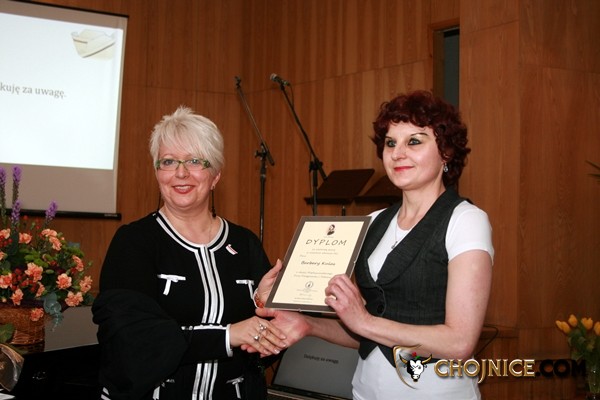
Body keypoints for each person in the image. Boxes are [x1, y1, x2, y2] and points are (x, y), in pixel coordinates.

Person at [254, 90, 494, 399]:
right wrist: (307, 324)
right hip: (365, 391)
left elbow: (459, 342)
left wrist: (364, 321)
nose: (397, 153)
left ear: (446, 152)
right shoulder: (372, 222)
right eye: (390, 143)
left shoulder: (466, 220)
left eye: (414, 141)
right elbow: (365, 333)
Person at [92, 106, 287, 400]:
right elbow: (130, 339)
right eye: (168, 161)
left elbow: (265, 346)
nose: (181, 173)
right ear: (157, 172)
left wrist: (265, 305)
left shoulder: (245, 243)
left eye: (195, 161)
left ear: (215, 175)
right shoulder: (134, 241)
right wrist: (228, 336)